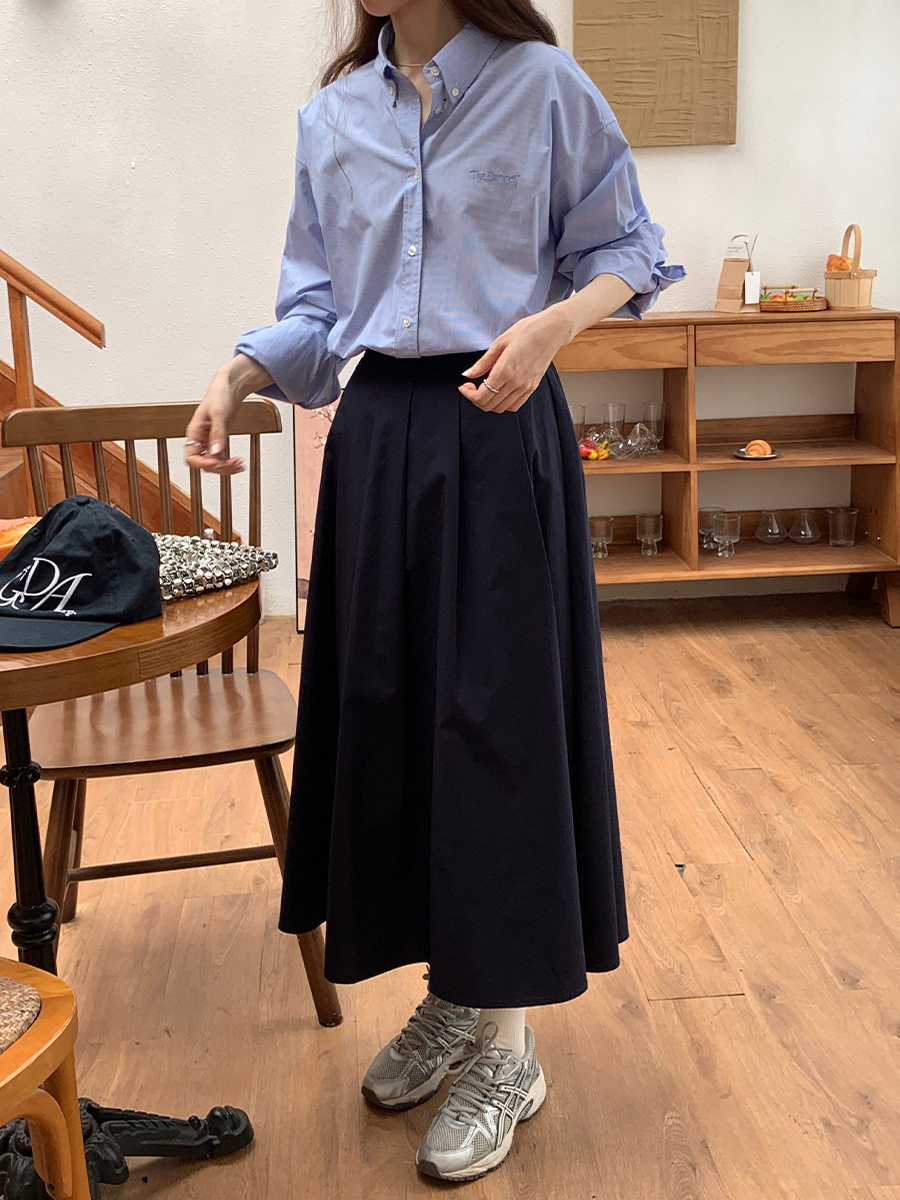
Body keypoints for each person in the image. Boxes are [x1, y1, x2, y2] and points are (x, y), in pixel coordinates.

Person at [185, 0, 684, 1183]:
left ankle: (510, 1045)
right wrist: (239, 372)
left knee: (496, 731)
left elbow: (628, 247)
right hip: (378, 444)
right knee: (398, 717)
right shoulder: (332, 119)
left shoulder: (542, 86)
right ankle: (454, 991)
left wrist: (550, 329)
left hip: (500, 428)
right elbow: (320, 313)